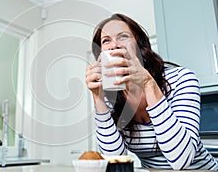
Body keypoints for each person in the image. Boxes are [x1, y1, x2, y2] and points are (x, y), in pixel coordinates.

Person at [85, 13, 218, 170]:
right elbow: (114, 159)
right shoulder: (112, 96)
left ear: (139, 46)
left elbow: (182, 160)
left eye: (123, 36)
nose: (114, 45)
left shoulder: (181, 79)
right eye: (106, 40)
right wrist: (98, 97)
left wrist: (148, 83)